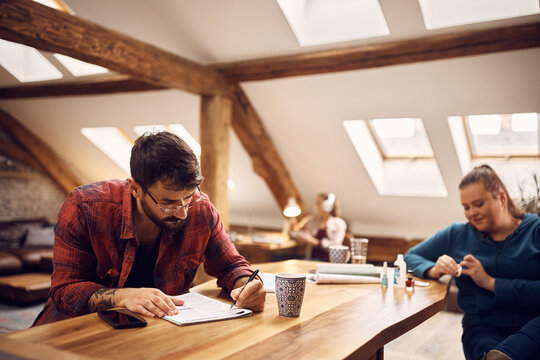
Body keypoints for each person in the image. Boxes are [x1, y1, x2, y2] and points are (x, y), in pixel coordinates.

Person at [33, 132, 265, 326]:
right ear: (135, 188)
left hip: (155, 332)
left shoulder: (200, 209)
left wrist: (245, 286)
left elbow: (232, 266)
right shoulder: (85, 206)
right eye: (168, 203)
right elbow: (64, 291)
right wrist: (122, 296)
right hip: (75, 329)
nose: (183, 212)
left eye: (188, 198)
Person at [404, 165, 540, 360]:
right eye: (466, 207)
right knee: (489, 351)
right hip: (483, 326)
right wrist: (434, 269)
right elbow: (410, 257)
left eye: (478, 204)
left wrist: (490, 283)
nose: (471, 213)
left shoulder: (535, 231)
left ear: (501, 198)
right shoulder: (456, 234)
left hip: (533, 324)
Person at [289, 192, 347, 261]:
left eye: (319, 203)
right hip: (310, 259)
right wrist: (293, 228)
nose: (315, 206)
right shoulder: (311, 221)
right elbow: (295, 232)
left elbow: (335, 245)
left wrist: (315, 242)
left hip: (329, 261)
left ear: (328, 206)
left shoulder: (339, 223)